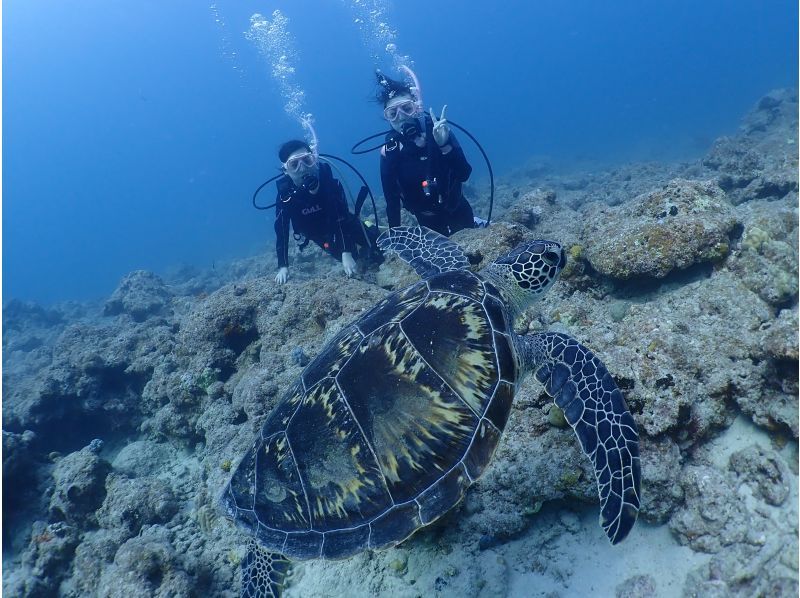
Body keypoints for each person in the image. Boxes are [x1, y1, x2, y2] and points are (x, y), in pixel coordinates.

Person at [376, 72, 481, 236]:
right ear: (388, 119)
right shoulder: (390, 151)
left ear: (417, 108)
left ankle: (477, 222)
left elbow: (464, 174)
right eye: (392, 113)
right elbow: (392, 200)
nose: (401, 117)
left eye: (406, 108)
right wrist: (395, 237)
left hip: (457, 208)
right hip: (427, 221)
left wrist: (444, 145)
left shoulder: (438, 130)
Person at [273, 140, 380, 285]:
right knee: (354, 258)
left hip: (343, 222)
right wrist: (283, 266)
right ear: (286, 170)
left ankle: (367, 226)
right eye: (294, 164)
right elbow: (282, 231)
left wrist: (345, 251)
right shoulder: (285, 196)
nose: (303, 168)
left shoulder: (328, 182)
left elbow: (341, 216)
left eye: (307, 160)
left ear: (314, 160)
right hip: (319, 234)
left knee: (375, 243)